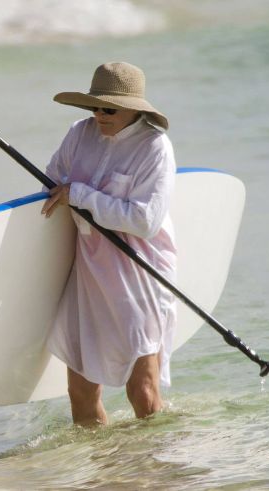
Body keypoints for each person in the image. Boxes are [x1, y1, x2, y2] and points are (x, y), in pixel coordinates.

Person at [41, 62, 177, 426]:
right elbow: (52, 184)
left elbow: (144, 221)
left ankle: (158, 473)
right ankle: (103, 475)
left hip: (139, 272)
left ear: (135, 109)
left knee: (143, 392)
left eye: (109, 108)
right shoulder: (79, 133)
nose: (99, 115)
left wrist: (80, 195)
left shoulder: (155, 148)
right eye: (94, 107)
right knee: (82, 391)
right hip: (87, 269)